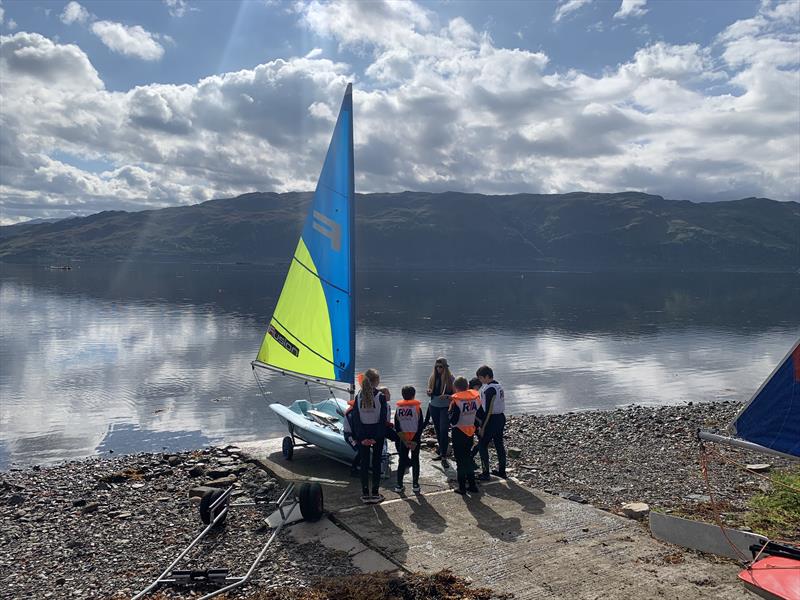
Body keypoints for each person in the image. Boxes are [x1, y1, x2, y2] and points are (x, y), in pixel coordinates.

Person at [351, 368, 391, 503]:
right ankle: (375, 492)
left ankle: (365, 492)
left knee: (364, 463)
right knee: (376, 463)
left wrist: (361, 438)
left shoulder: (358, 397)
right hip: (377, 433)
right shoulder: (380, 397)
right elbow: (383, 420)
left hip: (363, 432)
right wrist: (376, 437)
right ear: (377, 381)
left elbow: (355, 419)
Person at [446, 377, 481, 495]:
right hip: (470, 431)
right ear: (467, 387)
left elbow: (453, 421)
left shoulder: (456, 401)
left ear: (455, 388)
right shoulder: (474, 399)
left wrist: (449, 413)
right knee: (468, 459)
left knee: (460, 461)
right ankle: (472, 485)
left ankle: (462, 487)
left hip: (459, 432)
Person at [474, 365, 507, 480]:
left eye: (481, 378)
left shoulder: (489, 390)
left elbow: (488, 411)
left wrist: (482, 427)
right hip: (501, 417)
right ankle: (502, 471)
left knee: (482, 445)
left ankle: (485, 473)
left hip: (492, 419)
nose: (481, 381)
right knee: (499, 444)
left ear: (487, 376)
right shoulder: (498, 386)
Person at [393, 385, 424, 495]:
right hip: (415, 438)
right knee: (415, 460)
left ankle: (399, 485)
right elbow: (421, 425)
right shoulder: (417, 408)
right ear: (414, 395)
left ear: (402, 395)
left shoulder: (399, 408)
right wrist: (415, 440)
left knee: (402, 460)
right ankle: (415, 485)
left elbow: (397, 426)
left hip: (403, 439)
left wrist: (405, 440)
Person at [426, 357, 455, 468]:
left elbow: (456, 395)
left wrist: (447, 396)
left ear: (445, 367)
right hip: (434, 406)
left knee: (444, 430)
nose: (438, 369)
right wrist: (428, 392)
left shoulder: (451, 379)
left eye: (441, 367)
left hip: (445, 407)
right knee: (438, 430)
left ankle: (444, 456)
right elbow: (429, 391)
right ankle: (442, 452)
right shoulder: (433, 377)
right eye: (436, 366)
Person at [342, 399, 360, 476]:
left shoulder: (355, 412)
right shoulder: (351, 414)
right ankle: (353, 469)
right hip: (350, 436)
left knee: (363, 449)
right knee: (360, 450)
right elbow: (353, 428)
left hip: (355, 434)